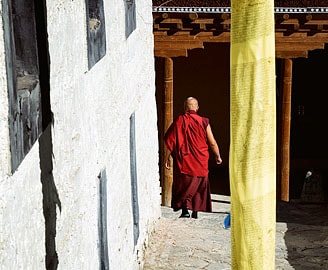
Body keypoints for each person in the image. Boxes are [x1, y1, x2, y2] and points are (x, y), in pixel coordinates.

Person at [164, 97, 222, 219]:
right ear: (196, 107)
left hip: (185, 159)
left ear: (185, 107)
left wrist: (167, 157)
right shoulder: (203, 121)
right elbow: (212, 142)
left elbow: (171, 140)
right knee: (199, 183)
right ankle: (196, 209)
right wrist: (217, 155)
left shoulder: (180, 120)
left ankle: (185, 209)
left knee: (186, 183)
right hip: (201, 158)